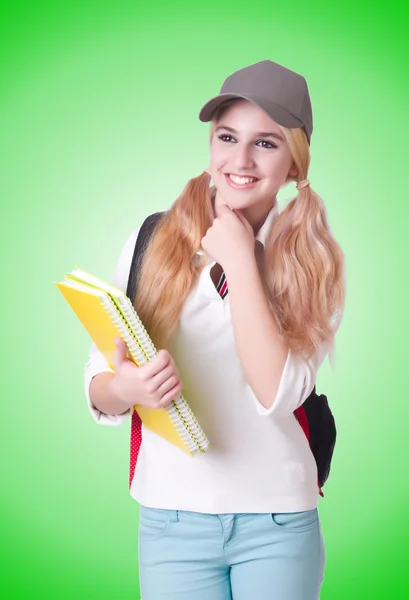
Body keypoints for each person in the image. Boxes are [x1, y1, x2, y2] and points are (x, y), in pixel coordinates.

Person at [84, 60, 346, 600]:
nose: (241, 160)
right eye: (227, 137)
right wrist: (126, 390)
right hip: (170, 520)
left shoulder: (313, 261)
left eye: (267, 143)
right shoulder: (150, 239)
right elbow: (98, 382)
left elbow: (277, 393)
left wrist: (240, 260)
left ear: (296, 162)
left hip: (277, 522)